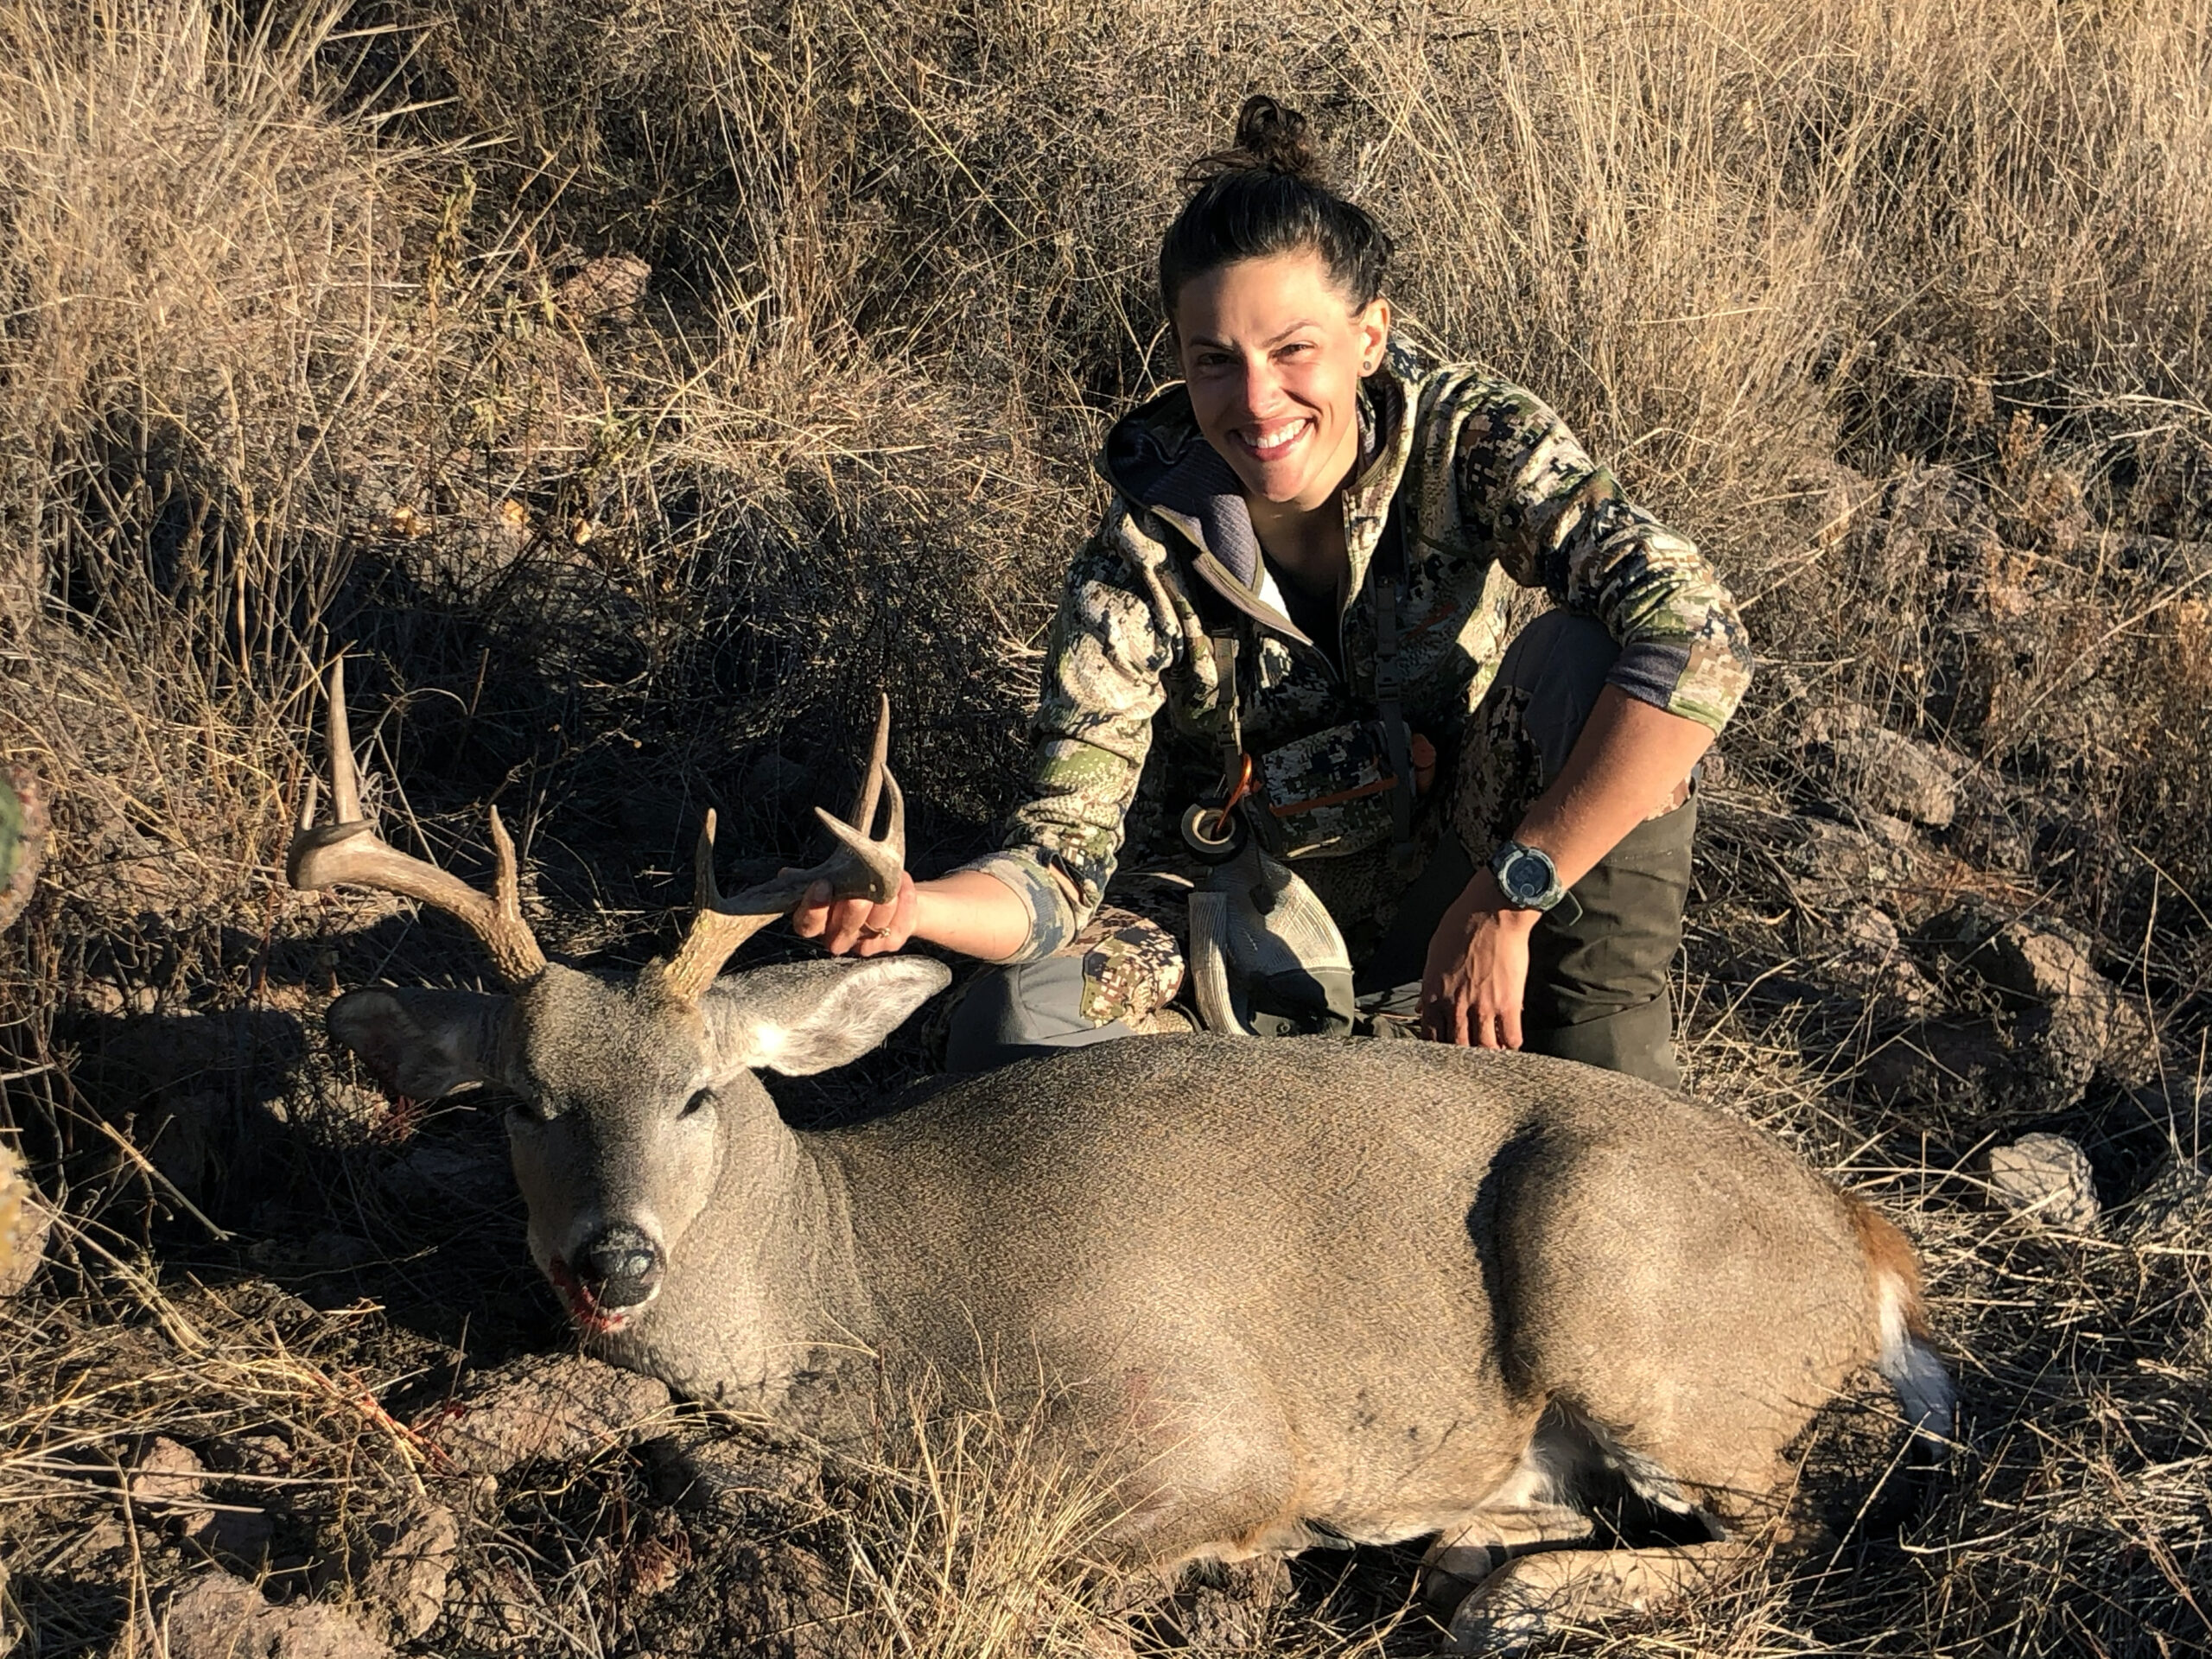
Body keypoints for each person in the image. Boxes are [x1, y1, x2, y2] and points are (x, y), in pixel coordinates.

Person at [791, 96, 1751, 1090]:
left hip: (1463, 886)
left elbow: (1697, 635)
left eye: (1293, 349)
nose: (1256, 402)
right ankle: (1249, 1151)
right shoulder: (1137, 563)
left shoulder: (1470, 442)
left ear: (1369, 336)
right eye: (1216, 362)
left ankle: (1613, 1092)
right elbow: (1057, 862)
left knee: (1586, 660)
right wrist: (914, 907)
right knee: (1014, 1033)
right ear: (1180, 363)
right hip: (1235, 928)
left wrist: (1512, 894)